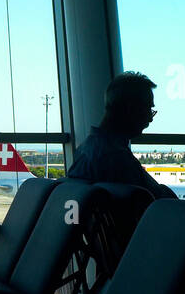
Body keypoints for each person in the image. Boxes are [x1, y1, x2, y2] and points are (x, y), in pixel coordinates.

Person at [67, 71, 178, 200]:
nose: (150, 119)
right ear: (131, 109)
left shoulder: (85, 150)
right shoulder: (116, 157)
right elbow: (154, 201)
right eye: (148, 109)